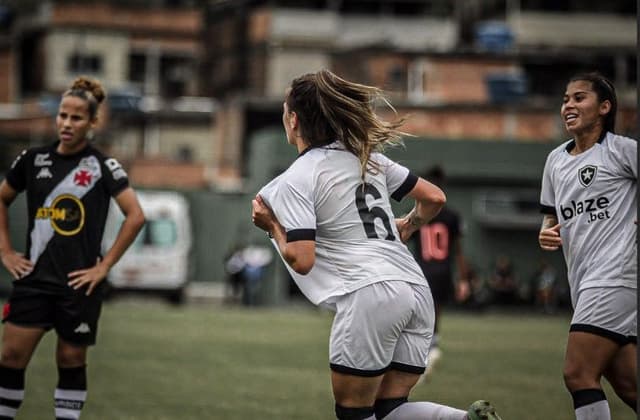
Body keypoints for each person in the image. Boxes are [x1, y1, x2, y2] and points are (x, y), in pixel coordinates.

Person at [251, 69, 501, 420]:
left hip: (370, 294)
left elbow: (301, 258)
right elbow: (434, 198)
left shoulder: (296, 177)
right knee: (390, 410)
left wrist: (271, 225)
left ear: (293, 120)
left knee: (355, 413)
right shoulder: (368, 158)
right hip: (415, 289)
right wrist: (409, 225)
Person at [0, 76, 145, 419]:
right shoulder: (32, 160)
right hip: (34, 280)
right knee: (9, 358)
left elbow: (135, 216)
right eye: (62, 115)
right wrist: (5, 251)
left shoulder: (102, 166)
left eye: (76, 117)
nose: (66, 123)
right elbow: (1, 198)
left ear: (93, 122)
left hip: (78, 285)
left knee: (70, 360)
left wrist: (103, 267)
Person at [538, 72, 637, 420]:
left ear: (605, 107)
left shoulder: (623, 151)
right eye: (566, 99)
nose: (568, 105)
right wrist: (545, 231)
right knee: (629, 386)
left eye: (579, 98)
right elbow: (551, 218)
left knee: (578, 373)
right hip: (584, 283)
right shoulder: (555, 161)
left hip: (617, 276)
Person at [409, 165, 468, 373]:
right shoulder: (452, 216)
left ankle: (424, 348)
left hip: (422, 268)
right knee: (436, 309)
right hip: (443, 269)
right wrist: (463, 279)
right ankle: (432, 344)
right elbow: (458, 250)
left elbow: (406, 237)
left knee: (419, 310)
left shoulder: (419, 215)